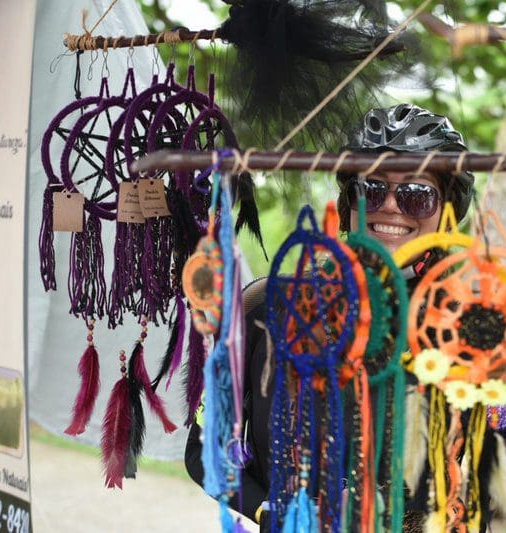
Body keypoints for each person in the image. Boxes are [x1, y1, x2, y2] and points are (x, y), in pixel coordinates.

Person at [185, 103, 476, 528]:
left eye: (416, 195)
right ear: (346, 203)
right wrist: (270, 512)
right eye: (371, 189)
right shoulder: (266, 305)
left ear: (446, 209)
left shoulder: (472, 325)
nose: (391, 207)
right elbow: (204, 448)